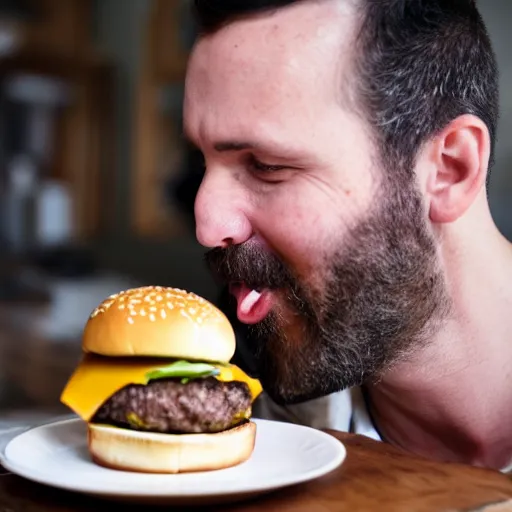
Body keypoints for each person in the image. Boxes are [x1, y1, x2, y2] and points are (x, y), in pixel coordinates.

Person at [182, 0, 512, 472]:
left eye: (267, 166)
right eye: (203, 161)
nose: (208, 226)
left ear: (449, 170)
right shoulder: (267, 431)